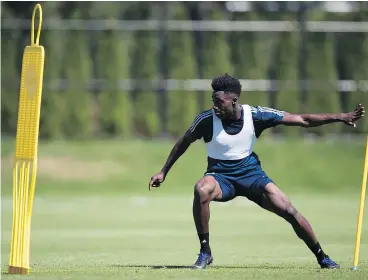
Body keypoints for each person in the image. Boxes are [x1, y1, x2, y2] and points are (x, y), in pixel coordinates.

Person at [148, 74, 365, 270]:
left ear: (233, 100)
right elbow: (182, 142)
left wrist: (341, 116)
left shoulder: (257, 115)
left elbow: (302, 120)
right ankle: (205, 252)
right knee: (201, 189)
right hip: (221, 178)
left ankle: (322, 256)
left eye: (219, 102)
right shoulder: (206, 120)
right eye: (213, 101)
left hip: (252, 177)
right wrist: (163, 171)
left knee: (289, 210)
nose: (214, 106)